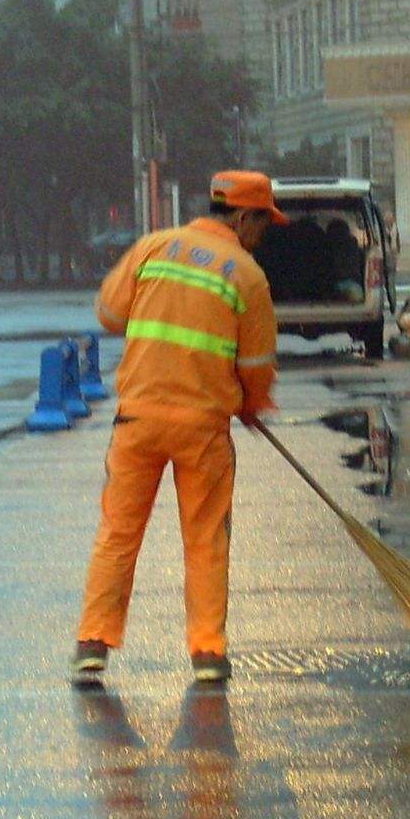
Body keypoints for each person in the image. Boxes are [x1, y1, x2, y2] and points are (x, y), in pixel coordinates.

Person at [74, 171, 282, 689]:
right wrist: (253, 405)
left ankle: (92, 645)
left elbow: (108, 314)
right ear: (241, 217)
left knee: (118, 533)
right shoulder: (247, 276)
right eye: (263, 222)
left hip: (138, 421)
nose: (263, 234)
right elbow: (257, 361)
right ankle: (208, 652)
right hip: (203, 429)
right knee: (207, 537)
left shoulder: (153, 248)